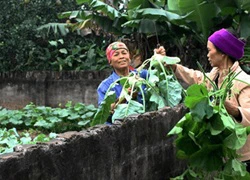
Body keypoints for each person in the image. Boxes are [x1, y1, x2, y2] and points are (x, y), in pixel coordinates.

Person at [167, 28, 250, 170]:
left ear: (223, 53)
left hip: (243, 157)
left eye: (209, 50)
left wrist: (234, 110)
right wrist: (174, 67)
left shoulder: (243, 81)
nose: (207, 55)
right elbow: (197, 78)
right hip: (224, 153)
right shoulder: (215, 75)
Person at [97, 41, 165, 123]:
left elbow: (161, 78)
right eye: (116, 54)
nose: (121, 56)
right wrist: (124, 98)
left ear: (129, 57)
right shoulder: (105, 86)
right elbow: (105, 112)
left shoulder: (142, 75)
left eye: (124, 53)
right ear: (110, 61)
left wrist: (160, 60)